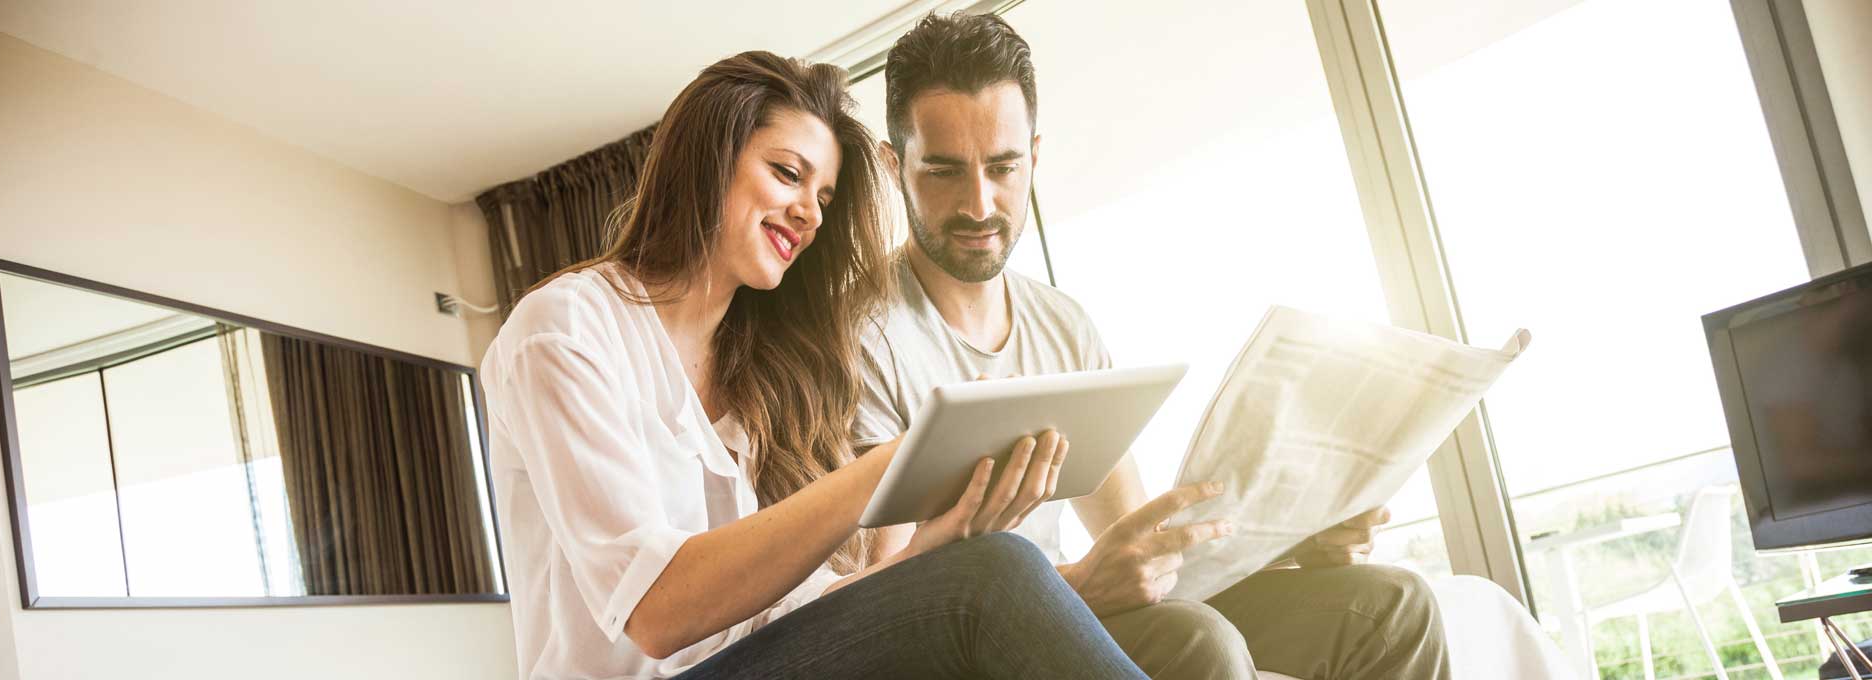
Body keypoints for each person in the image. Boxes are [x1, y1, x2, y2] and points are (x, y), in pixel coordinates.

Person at [479, 51, 1149, 679]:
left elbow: (792, 616)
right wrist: (888, 465)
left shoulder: (761, 375)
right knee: (998, 574)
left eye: (824, 199)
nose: (808, 213)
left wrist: (926, 555)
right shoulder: (566, 330)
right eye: (788, 174)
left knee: (992, 567)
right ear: (706, 161)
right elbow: (657, 612)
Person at [855, 13, 1451, 680]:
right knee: (1199, 644)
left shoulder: (1062, 325)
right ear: (892, 164)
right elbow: (890, 605)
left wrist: (1293, 542)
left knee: (1393, 608)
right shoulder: (861, 337)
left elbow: (1137, 536)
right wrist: (1079, 583)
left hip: (1069, 607)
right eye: (943, 171)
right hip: (972, 649)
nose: (980, 203)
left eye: (1003, 166)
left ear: (1035, 157)